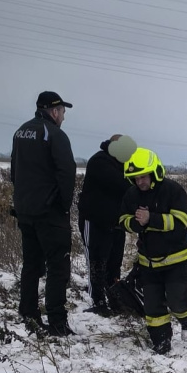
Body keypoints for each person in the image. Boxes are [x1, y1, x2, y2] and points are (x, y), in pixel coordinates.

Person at [10, 90, 77, 337]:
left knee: (31, 264)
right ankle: (57, 322)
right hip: (49, 214)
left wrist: (21, 199)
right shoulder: (55, 134)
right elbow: (66, 172)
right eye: (62, 112)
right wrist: (63, 206)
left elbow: (13, 169)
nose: (63, 117)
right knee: (58, 267)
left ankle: (28, 312)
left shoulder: (21, 131)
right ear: (54, 111)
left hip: (25, 211)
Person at [119, 147, 187, 354]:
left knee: (177, 301)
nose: (140, 182)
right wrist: (136, 223)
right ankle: (161, 343)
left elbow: (181, 221)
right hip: (148, 263)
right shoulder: (131, 194)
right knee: (153, 308)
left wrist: (150, 219)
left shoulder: (173, 190)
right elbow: (123, 220)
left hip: (176, 261)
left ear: (154, 173)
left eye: (143, 177)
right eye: (136, 178)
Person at [76, 134, 133, 316]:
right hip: (95, 222)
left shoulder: (124, 164)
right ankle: (98, 300)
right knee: (96, 261)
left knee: (114, 263)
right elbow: (120, 184)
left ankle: (115, 299)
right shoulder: (99, 161)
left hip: (116, 223)